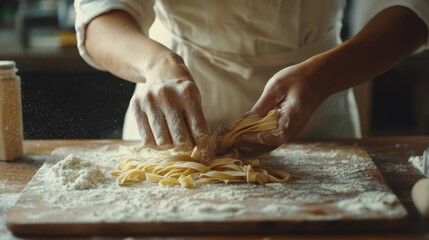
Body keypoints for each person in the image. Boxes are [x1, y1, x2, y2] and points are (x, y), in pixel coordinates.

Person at [74, 0, 428, 161]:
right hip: (172, 109)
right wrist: (154, 63)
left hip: (319, 108)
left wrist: (321, 77)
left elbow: (412, 11)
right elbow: (99, 16)